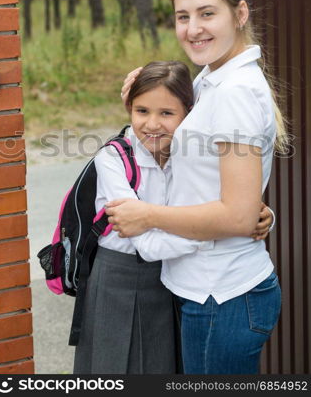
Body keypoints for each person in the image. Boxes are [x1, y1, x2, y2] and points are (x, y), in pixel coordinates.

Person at [105, 0, 284, 374]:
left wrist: (145, 214)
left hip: (222, 295)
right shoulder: (210, 79)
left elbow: (237, 215)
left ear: (239, 14)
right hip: (214, 290)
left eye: (207, 13)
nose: (193, 28)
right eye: (183, 16)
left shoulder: (233, 92)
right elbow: (198, 169)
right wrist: (148, 105)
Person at [74, 60, 273, 375]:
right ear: (129, 109)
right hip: (119, 278)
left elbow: (229, 201)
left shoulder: (189, 155)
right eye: (142, 111)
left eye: (167, 113)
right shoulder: (113, 159)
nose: (152, 124)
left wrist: (252, 215)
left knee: (165, 367)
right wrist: (225, 228)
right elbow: (150, 247)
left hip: (170, 281)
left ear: (189, 114)